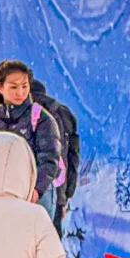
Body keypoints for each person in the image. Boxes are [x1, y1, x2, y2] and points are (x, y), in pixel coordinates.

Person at [0, 60, 62, 216]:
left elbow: (50, 159)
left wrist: (36, 190)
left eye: (24, 86)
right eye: (14, 87)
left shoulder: (41, 118)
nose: (20, 92)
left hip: (34, 196)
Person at [30, 78, 80, 232]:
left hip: (22, 195)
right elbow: (73, 157)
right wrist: (66, 195)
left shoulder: (13, 114)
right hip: (57, 191)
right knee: (50, 248)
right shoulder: (62, 113)